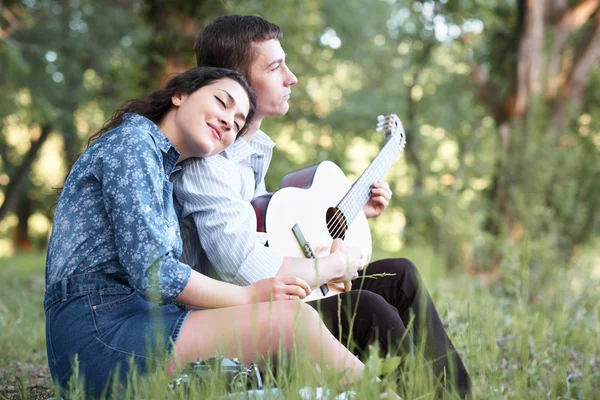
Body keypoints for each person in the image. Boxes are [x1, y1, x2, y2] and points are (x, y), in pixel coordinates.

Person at [172, 16, 471, 398]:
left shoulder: (250, 152)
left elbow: (272, 237)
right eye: (275, 67)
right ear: (237, 82)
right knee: (367, 308)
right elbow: (246, 269)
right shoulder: (208, 163)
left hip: (275, 295)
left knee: (400, 275)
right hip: (234, 318)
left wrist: (349, 217)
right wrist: (335, 265)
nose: (291, 78)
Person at [44, 67, 369, 398]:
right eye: (222, 102)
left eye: (239, 122)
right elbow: (156, 272)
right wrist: (248, 296)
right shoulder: (133, 145)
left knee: (293, 340)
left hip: (139, 320)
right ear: (180, 94)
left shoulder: (163, 167)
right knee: (290, 320)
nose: (230, 121)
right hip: (101, 332)